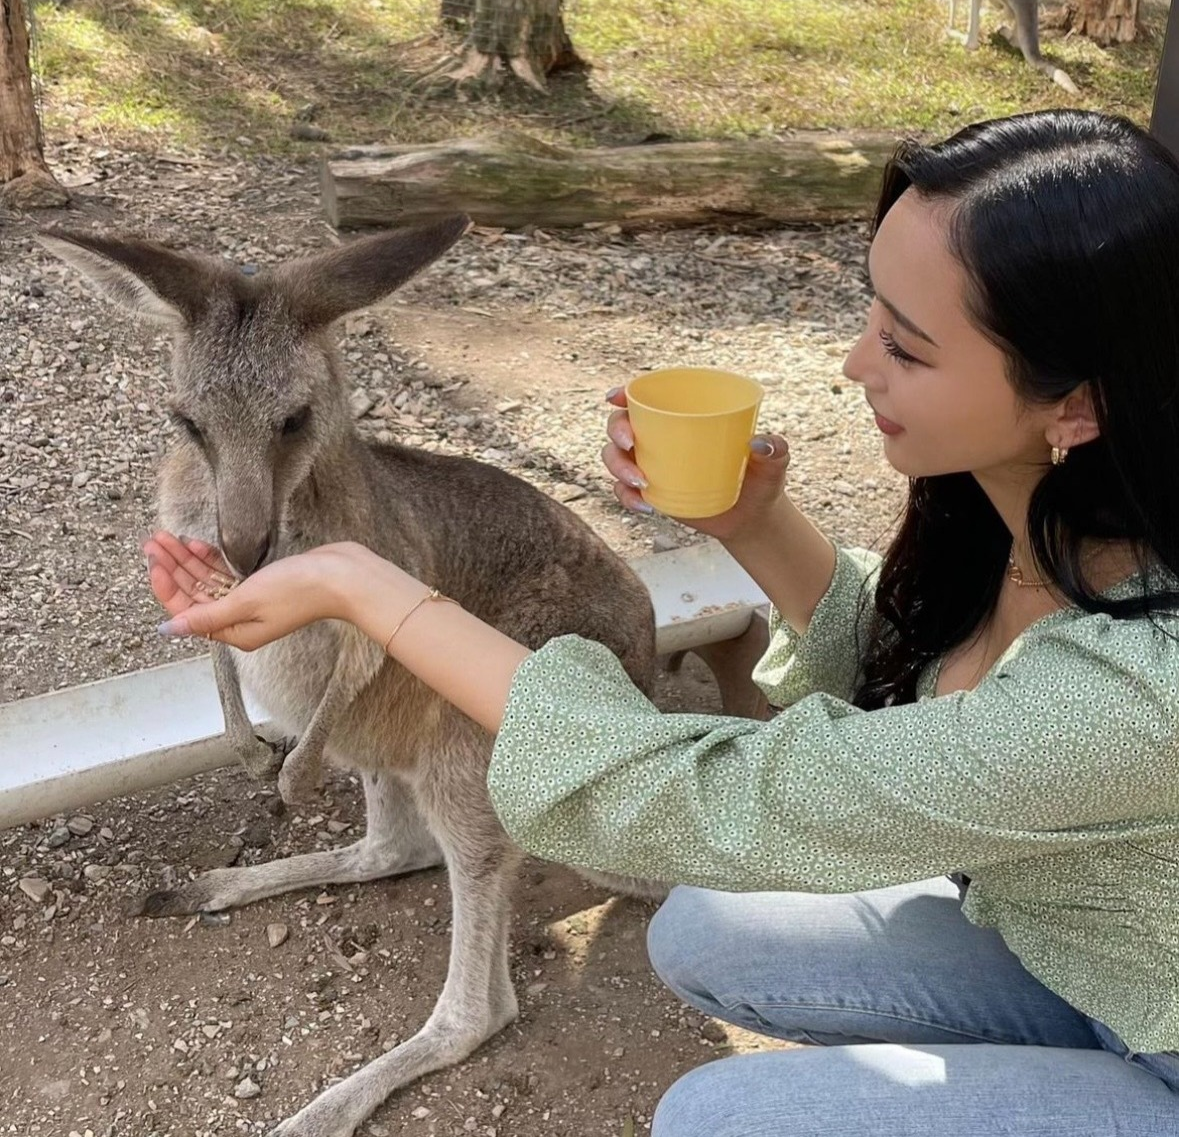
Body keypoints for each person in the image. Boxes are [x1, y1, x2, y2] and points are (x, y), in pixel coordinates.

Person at [143, 109, 1179, 1135]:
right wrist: (755, 519)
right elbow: (915, 653)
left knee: (721, 1119)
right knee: (708, 933)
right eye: (871, 314)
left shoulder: (1130, 692)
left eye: (905, 349)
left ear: (1075, 406)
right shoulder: (1035, 524)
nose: (854, 367)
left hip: (1166, 1041)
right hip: (1076, 942)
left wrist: (378, 592)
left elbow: (705, 802)